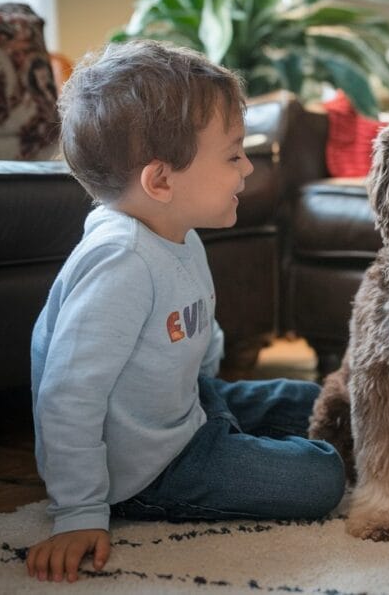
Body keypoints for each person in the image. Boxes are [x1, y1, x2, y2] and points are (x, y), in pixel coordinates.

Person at [26, 40, 345, 583]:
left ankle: (248, 443)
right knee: (322, 477)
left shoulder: (176, 232)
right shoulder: (119, 262)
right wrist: (78, 511)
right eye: (233, 154)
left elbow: (194, 328)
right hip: (150, 466)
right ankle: (243, 454)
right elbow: (67, 396)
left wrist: (210, 390)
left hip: (186, 409)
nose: (247, 166)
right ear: (161, 180)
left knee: (316, 400)